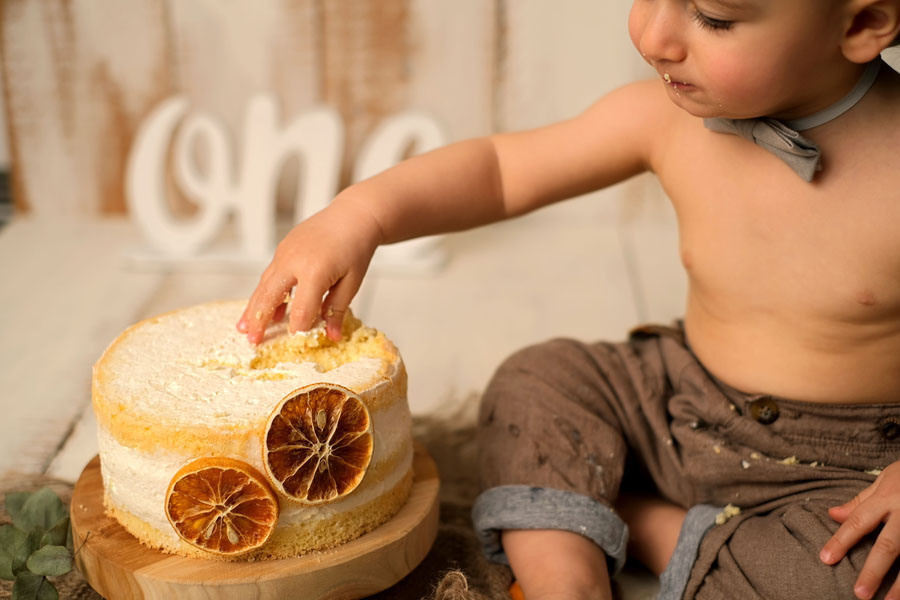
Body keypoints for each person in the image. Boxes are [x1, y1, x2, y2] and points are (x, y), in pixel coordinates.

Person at [237, 0, 900, 598]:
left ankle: (641, 525)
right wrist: (360, 216)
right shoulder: (664, 119)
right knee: (537, 382)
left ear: (861, 23)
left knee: (870, 577)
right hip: (676, 402)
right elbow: (500, 170)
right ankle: (566, 583)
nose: (654, 35)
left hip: (847, 474)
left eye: (713, 17)